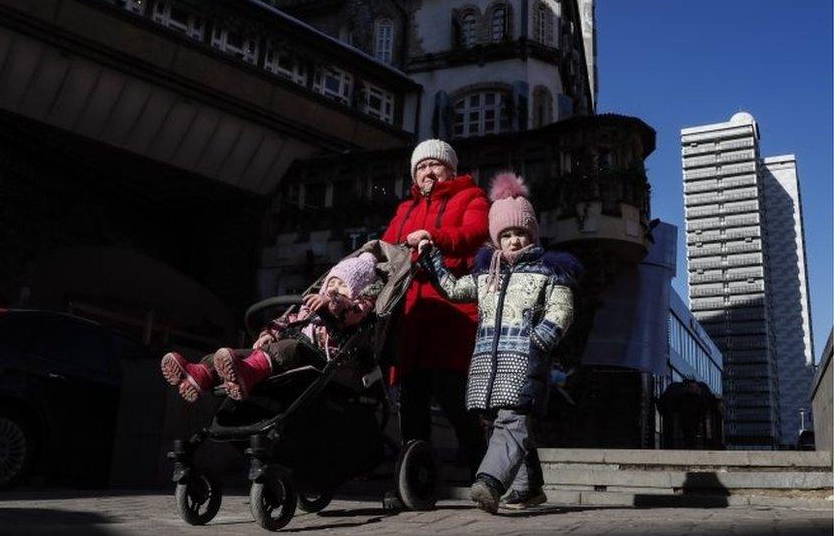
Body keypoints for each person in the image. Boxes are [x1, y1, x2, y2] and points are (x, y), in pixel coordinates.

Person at [418, 172, 581, 513]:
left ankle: (489, 481)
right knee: (499, 424)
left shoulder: (548, 273)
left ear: (532, 234)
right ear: (496, 239)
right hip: (487, 366)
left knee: (512, 422)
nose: (514, 241)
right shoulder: (485, 276)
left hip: (525, 361)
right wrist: (432, 256)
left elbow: (561, 311)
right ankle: (528, 488)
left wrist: (538, 342)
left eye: (521, 232)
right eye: (506, 234)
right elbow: (453, 289)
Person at [381, 139, 490, 471]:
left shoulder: (471, 196)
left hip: (452, 311)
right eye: (421, 166)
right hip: (412, 314)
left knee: (453, 392)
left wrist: (433, 237)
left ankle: (481, 466)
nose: (428, 171)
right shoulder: (405, 209)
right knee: (411, 399)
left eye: (435, 164)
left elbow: (474, 232)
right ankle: (417, 475)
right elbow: (387, 248)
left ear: (451, 169)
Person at [159, 253, 383, 402]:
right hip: (286, 350)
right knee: (243, 354)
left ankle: (248, 373)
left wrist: (332, 302)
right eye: (331, 283)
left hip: (319, 357)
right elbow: (287, 321)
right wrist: (268, 333)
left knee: (289, 349)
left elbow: (354, 313)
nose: (333, 288)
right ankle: (201, 373)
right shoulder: (308, 310)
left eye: (342, 285)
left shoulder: (353, 308)